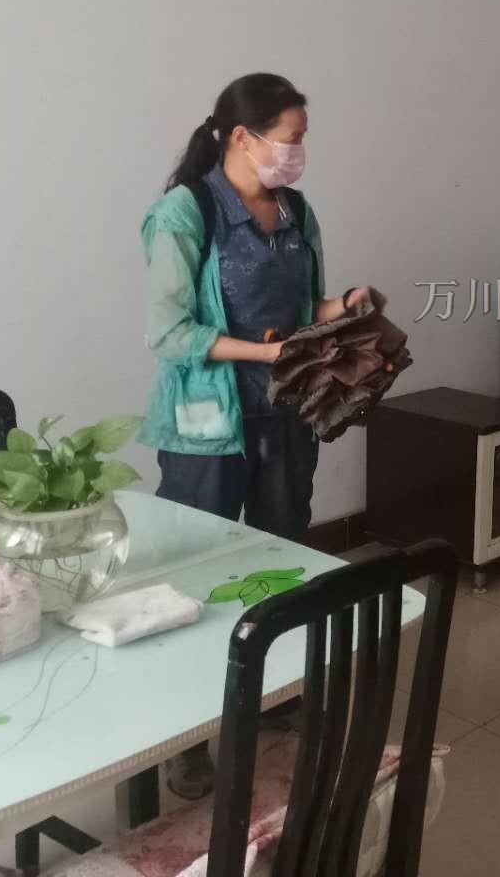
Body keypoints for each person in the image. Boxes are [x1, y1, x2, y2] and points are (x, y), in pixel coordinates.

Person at [138, 72, 370, 797]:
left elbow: (303, 308)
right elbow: (170, 333)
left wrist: (343, 306)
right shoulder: (186, 212)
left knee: (281, 558)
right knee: (196, 577)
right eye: (291, 139)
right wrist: (264, 355)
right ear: (243, 136)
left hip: (288, 414)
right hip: (207, 427)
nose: (298, 153)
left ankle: (272, 695)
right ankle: (182, 737)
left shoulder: (296, 210)